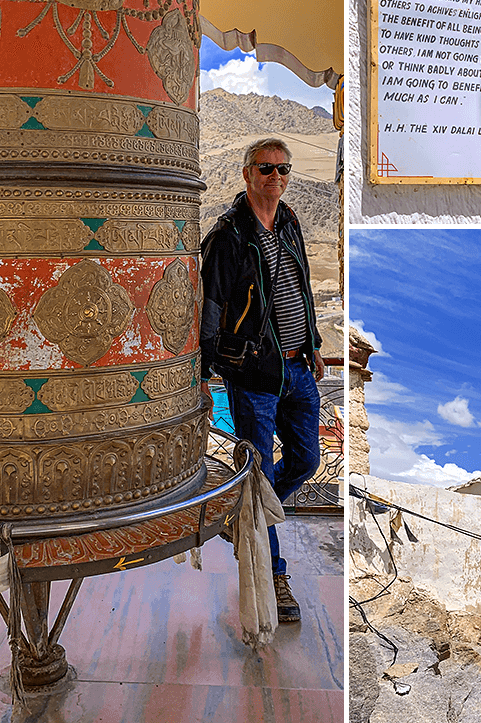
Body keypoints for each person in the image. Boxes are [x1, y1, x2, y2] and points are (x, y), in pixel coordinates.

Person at [200, 138, 325, 624]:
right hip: (253, 373)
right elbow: (211, 307)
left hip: (298, 368)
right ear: (247, 174)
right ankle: (275, 573)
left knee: (306, 459)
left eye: (283, 170)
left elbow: (302, 289)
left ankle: (246, 514)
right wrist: (205, 371)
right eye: (266, 169)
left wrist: (313, 342)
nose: (276, 178)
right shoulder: (229, 235)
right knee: (260, 472)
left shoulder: (290, 222)